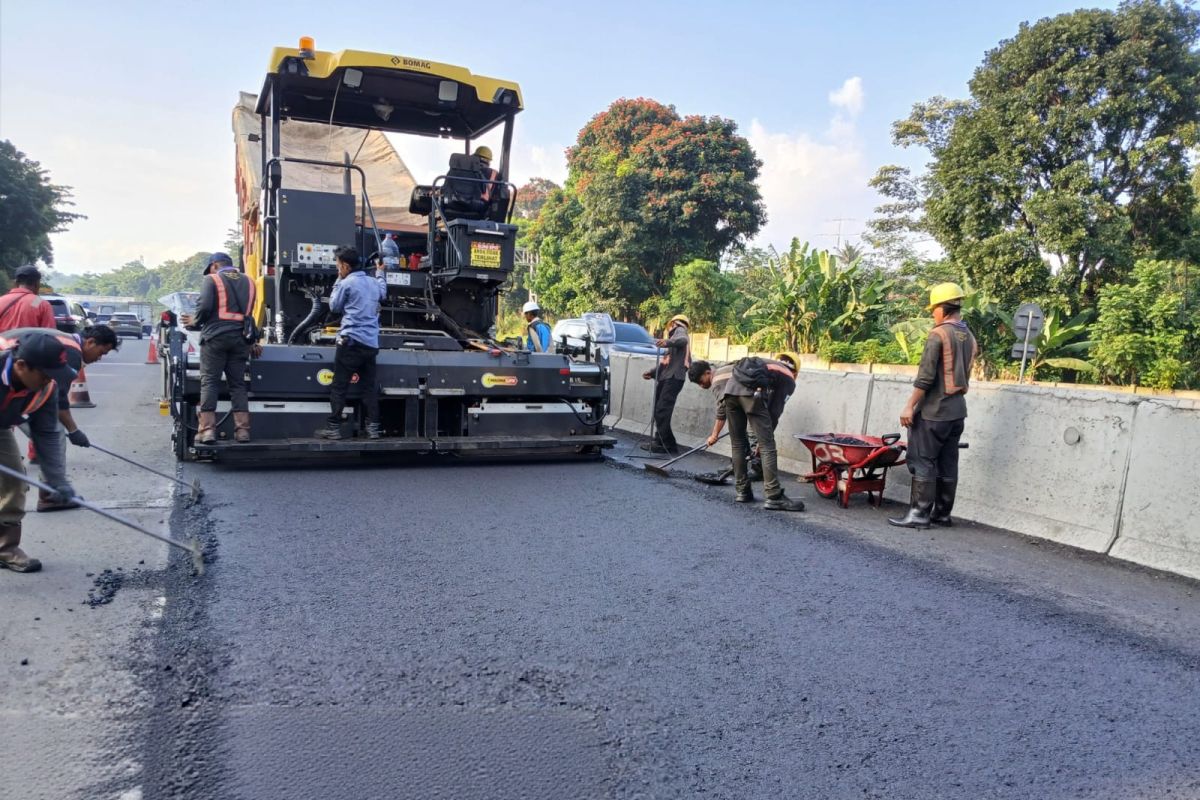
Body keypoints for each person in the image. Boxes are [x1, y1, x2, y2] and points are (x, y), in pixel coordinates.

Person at [889, 282, 977, 529]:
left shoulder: (938, 335)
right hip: (957, 412)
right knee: (948, 462)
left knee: (924, 460)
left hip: (934, 412)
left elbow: (926, 378)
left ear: (944, 307)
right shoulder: (969, 337)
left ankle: (919, 514)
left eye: (934, 308)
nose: (932, 314)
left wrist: (909, 406)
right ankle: (942, 514)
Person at [7, 325, 119, 511]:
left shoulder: (65, 345)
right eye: (101, 352)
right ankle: (51, 495)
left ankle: (52, 490)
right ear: (90, 342)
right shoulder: (71, 354)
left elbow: (51, 401)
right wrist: (73, 431)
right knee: (57, 434)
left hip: (11, 390)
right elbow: (59, 402)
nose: (99, 358)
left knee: (51, 432)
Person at [0, 332, 79, 572]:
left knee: (14, 480)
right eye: (45, 374)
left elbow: (46, 435)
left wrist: (56, 480)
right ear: (21, 365)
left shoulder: (46, 388)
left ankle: (6, 548)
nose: (49, 380)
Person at [687, 357, 805, 511]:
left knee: (737, 445)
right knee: (767, 446)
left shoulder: (729, 369)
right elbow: (774, 410)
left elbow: (723, 407)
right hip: (749, 393)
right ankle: (774, 496)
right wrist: (763, 438)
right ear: (795, 373)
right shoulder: (788, 379)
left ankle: (742, 491)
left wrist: (715, 434)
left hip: (731, 394)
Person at [181, 252, 256, 444]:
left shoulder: (211, 279)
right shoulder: (250, 281)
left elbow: (205, 307)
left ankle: (207, 431)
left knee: (210, 382)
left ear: (214, 265)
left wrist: (194, 321)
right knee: (238, 384)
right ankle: (242, 431)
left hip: (215, 338)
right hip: (241, 339)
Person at [316, 246, 387, 440]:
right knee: (369, 387)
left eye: (339, 266)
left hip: (350, 342)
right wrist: (380, 272)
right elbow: (383, 292)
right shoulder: (373, 282)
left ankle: (334, 428)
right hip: (371, 344)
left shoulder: (347, 283)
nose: (338, 269)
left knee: (339, 386)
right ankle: (373, 428)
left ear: (346, 266)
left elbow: (334, 306)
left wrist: (339, 280)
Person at [640, 315, 690, 455]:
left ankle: (668, 445)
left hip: (674, 378)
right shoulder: (673, 340)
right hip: (667, 377)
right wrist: (652, 372)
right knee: (659, 410)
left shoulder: (679, 330)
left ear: (673, 323)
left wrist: (668, 342)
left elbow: (683, 340)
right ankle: (659, 442)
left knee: (662, 411)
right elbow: (666, 363)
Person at [0, 265, 56, 331]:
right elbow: (49, 335)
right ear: (37, 284)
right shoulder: (38, 302)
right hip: (31, 341)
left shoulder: (2, 300)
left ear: (16, 283)